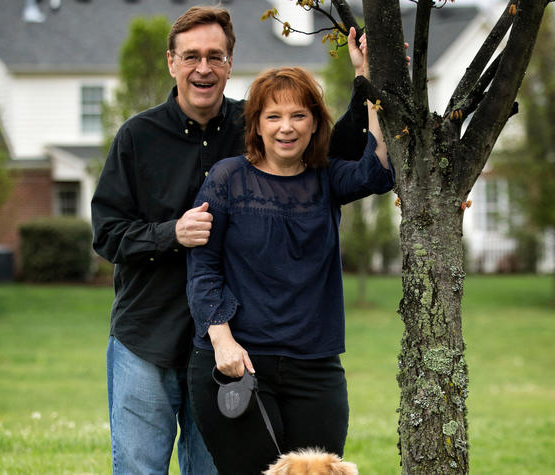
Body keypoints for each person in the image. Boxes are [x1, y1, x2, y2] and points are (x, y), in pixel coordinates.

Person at [91, 5, 370, 473]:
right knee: (139, 467)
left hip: (231, 349)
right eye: (192, 56)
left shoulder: (258, 124)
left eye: (216, 56)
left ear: (230, 63)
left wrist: (365, 84)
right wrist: (170, 233)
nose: (204, 67)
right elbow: (107, 233)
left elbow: (327, 153)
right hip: (149, 335)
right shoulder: (137, 137)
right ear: (171, 63)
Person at [185, 28, 394, 475]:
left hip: (315, 366)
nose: (286, 127)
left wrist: (368, 77)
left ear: (315, 122)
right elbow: (202, 268)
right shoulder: (226, 179)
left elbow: (378, 172)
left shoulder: (327, 178)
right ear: (256, 123)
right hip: (238, 363)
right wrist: (221, 340)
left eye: (299, 115)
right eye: (273, 116)